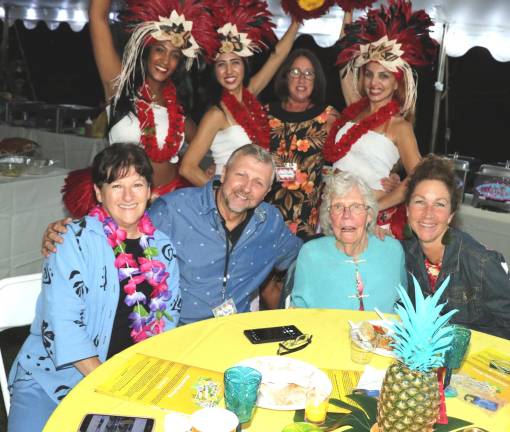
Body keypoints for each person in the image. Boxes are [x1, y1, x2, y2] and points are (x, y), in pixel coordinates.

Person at [9, 144, 181, 431]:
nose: (128, 196)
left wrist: (143, 381)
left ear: (150, 191)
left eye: (137, 184)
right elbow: (62, 325)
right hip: (54, 380)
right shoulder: (72, 240)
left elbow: (168, 319)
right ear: (99, 193)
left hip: (131, 376)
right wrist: (110, 384)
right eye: (117, 185)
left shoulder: (162, 248)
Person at [42, 144, 302, 325]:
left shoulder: (270, 223)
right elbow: (125, 228)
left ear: (267, 192)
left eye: (258, 183)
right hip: (176, 332)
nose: (246, 188)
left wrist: (339, 238)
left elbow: (301, 255)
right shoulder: (176, 209)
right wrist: (74, 233)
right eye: (241, 175)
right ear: (223, 175)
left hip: (233, 334)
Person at [62, 0, 218, 219]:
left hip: (170, 201)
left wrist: (214, 164)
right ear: (147, 51)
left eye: (175, 55)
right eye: (160, 49)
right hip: (123, 200)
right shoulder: (119, 88)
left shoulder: (179, 112)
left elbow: (215, 142)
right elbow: (98, 17)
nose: (166, 60)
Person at [322, 0, 438, 238]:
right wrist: (347, 10)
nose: (375, 83)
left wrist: (378, 205)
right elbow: (345, 59)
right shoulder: (354, 109)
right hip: (332, 211)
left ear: (396, 83)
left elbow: (418, 178)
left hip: (369, 220)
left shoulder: (400, 127)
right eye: (370, 75)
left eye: (384, 76)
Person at [179, 0, 300, 186]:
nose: (229, 71)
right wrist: (220, 196)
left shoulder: (251, 94)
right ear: (214, 71)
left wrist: (299, 18)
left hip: (253, 194)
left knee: (298, 176)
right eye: (221, 65)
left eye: (235, 62)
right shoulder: (216, 114)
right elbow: (187, 167)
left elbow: (277, 56)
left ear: (244, 65)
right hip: (230, 199)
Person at [403, 155, 510, 339]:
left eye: (440, 204)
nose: (428, 213)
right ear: (407, 209)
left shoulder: (481, 263)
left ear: (451, 215)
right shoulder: (404, 254)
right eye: (420, 202)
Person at [291, 171, 406, 312]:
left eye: (356, 206)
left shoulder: (392, 251)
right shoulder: (311, 254)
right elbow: (298, 311)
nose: (346, 216)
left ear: (369, 215)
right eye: (338, 207)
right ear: (329, 216)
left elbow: (402, 307)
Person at [266, 48, 338, 239]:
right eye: (295, 72)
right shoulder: (266, 114)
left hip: (308, 220)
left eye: (309, 74)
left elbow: (349, 156)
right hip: (266, 214)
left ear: (316, 80)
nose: (302, 79)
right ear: (285, 76)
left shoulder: (328, 117)